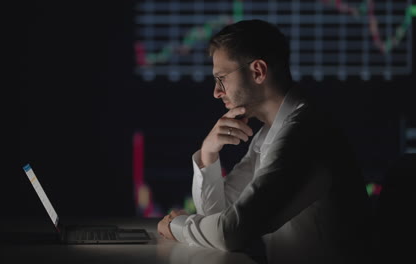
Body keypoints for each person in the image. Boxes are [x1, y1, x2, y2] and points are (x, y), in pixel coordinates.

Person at [157, 19, 372, 264]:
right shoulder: (271, 131)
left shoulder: (305, 133)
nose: (216, 92)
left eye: (222, 78)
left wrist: (178, 226)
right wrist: (208, 155)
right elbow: (218, 217)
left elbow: (231, 233)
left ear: (258, 71)